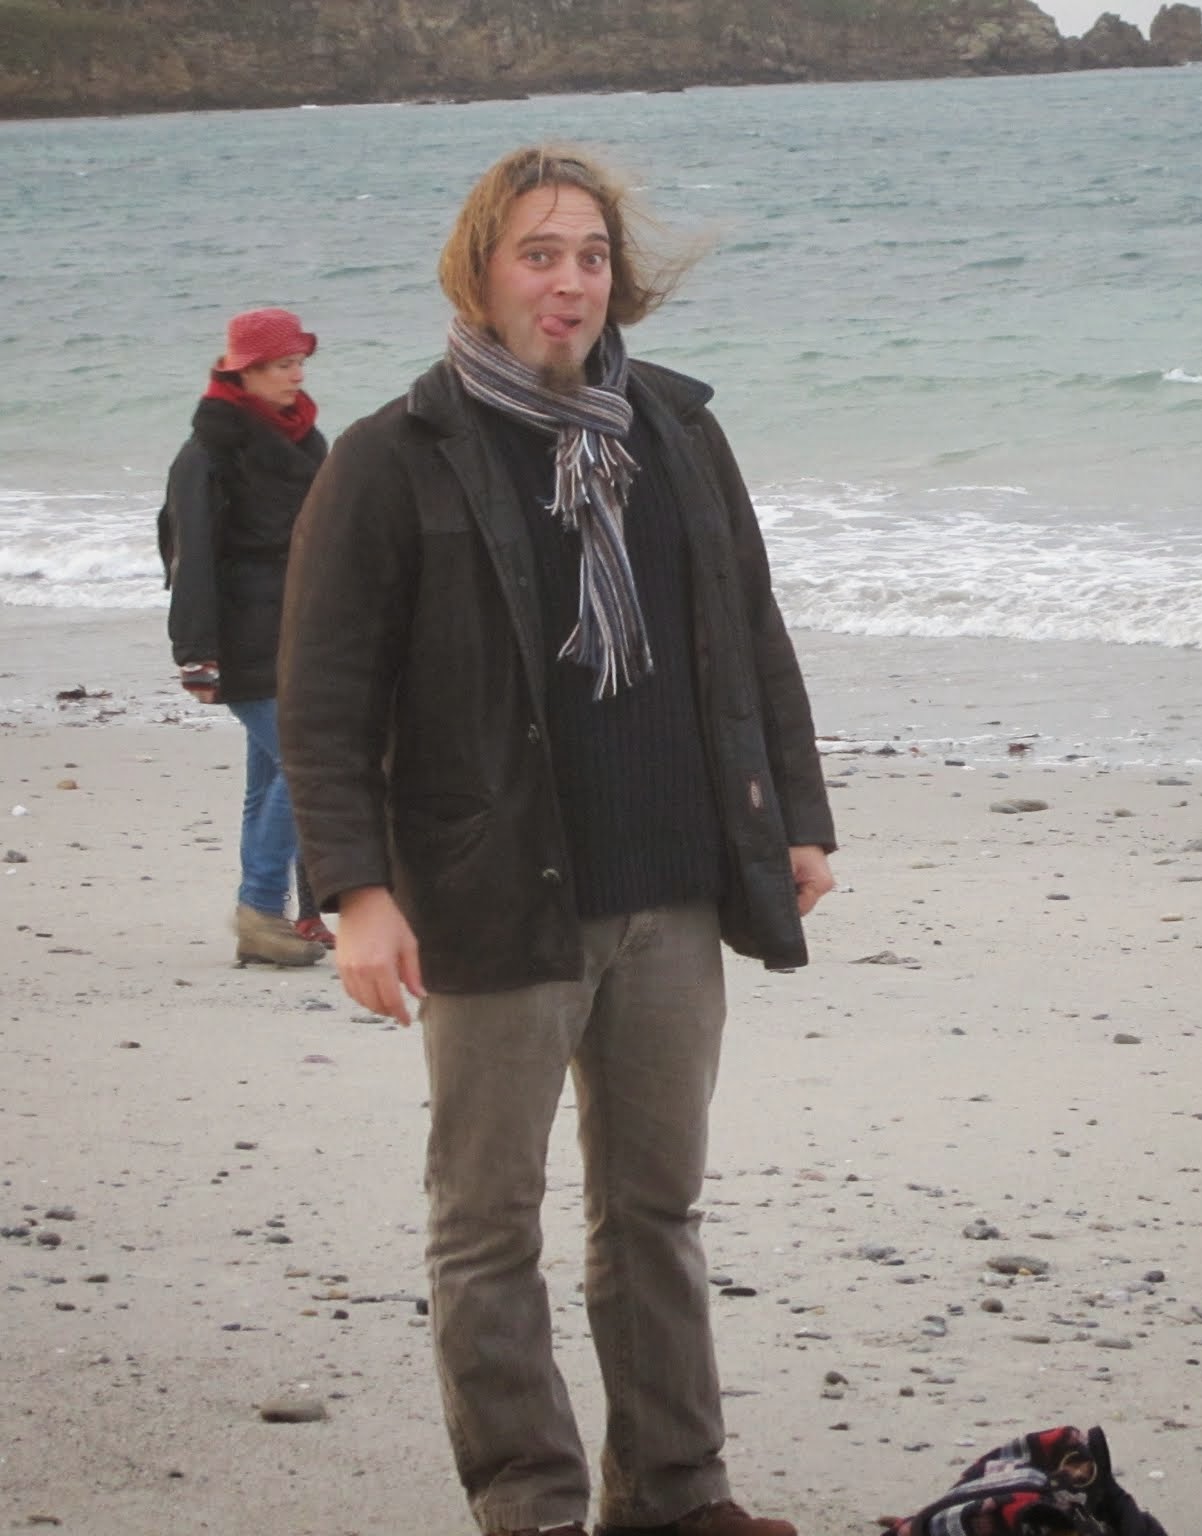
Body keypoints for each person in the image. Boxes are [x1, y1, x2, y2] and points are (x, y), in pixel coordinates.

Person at [276, 145, 836, 1536]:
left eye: (590, 255)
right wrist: (355, 893)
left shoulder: (677, 432)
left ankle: (675, 1495)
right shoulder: (390, 459)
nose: (569, 281)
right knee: (487, 1224)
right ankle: (528, 1504)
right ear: (480, 273)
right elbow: (327, 697)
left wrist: (792, 817)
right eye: (539, 253)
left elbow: (747, 632)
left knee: (655, 1211)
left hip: (671, 887)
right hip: (492, 896)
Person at [160, 307, 333, 967]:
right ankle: (260, 910)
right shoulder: (209, 452)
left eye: (300, 362)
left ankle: (275, 915)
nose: (298, 375)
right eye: (284, 364)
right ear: (247, 372)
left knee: (271, 775)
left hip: (300, 629)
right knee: (307, 762)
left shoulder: (304, 439)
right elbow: (190, 555)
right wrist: (195, 655)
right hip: (241, 634)